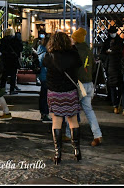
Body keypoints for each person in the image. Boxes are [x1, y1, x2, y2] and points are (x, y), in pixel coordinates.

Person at [43, 32, 83, 164]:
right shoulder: (73, 55)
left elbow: (43, 64)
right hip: (70, 91)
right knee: (73, 120)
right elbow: (79, 63)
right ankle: (76, 150)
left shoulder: (49, 56)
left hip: (54, 92)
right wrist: (73, 47)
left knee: (56, 120)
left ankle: (57, 152)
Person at [68, 27, 104, 146]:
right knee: (89, 111)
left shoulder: (74, 50)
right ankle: (97, 135)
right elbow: (93, 67)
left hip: (78, 84)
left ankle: (69, 134)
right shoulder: (88, 50)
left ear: (76, 40)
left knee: (71, 110)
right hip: (89, 84)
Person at [101, 26, 124, 115]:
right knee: (119, 86)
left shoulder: (117, 41)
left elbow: (102, 54)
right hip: (117, 68)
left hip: (111, 68)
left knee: (113, 86)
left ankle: (115, 105)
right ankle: (121, 105)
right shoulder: (117, 42)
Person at [0, 28, 23, 95]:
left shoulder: (2, 40)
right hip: (13, 59)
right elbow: (20, 49)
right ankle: (11, 90)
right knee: (13, 75)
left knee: (4, 76)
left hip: (5, 59)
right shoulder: (16, 40)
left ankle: (2, 89)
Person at [37, 35, 51, 123]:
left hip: (42, 76)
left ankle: (43, 113)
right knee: (45, 96)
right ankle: (45, 113)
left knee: (43, 95)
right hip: (46, 76)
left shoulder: (40, 51)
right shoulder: (46, 54)